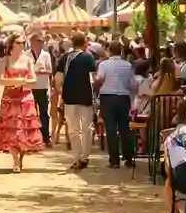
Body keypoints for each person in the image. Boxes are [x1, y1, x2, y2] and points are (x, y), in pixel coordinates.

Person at [0, 39, 45, 172]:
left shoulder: (27, 60)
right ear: (12, 44)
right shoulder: (4, 61)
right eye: (18, 42)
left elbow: (33, 79)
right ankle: (15, 160)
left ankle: (20, 158)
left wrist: (23, 82)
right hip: (10, 98)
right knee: (12, 129)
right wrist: (16, 81)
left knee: (24, 128)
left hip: (25, 98)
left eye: (22, 42)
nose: (21, 44)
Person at [59, 33, 98, 170]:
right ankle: (84, 157)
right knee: (87, 129)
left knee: (73, 130)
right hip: (85, 97)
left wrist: (61, 94)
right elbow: (94, 77)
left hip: (69, 97)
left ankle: (76, 157)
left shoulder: (65, 58)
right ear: (85, 43)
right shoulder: (88, 57)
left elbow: (58, 79)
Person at [95, 41, 137, 169]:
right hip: (124, 98)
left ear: (109, 50)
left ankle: (114, 160)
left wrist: (97, 88)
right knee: (124, 128)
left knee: (111, 129)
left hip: (107, 97)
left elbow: (99, 79)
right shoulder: (127, 65)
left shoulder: (104, 64)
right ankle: (128, 157)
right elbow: (133, 84)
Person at [27, 33, 53, 146]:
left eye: (41, 42)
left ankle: (45, 137)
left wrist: (41, 72)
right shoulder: (26, 55)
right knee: (31, 114)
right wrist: (33, 72)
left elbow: (50, 70)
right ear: (32, 42)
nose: (40, 44)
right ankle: (31, 137)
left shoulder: (46, 55)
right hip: (30, 87)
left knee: (44, 113)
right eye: (38, 41)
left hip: (43, 87)